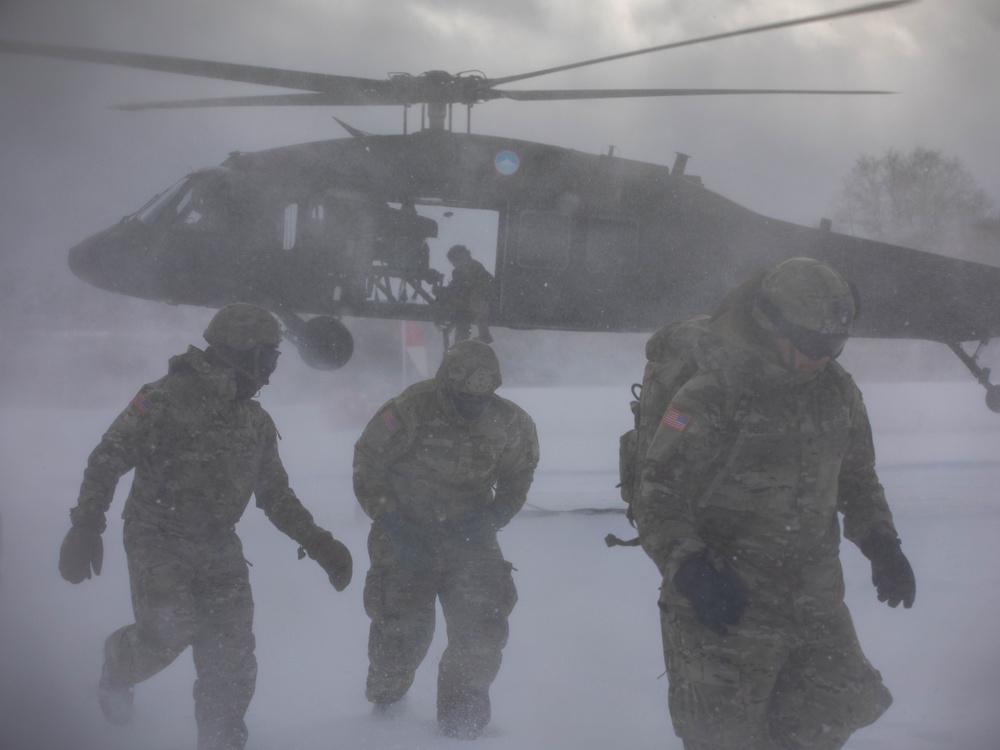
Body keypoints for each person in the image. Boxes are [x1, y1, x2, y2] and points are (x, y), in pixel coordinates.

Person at [633, 258, 916, 750]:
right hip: (726, 604)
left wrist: (881, 542)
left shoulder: (836, 390)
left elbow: (857, 477)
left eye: (834, 346)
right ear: (771, 324)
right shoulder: (708, 396)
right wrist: (693, 570)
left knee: (827, 720)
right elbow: (657, 495)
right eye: (811, 345)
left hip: (814, 602)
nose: (822, 358)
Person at [57, 303, 353, 750]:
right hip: (158, 535)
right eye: (267, 361)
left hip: (218, 545)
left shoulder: (255, 421)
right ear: (239, 353)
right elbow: (108, 457)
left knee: (232, 661)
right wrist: (86, 525)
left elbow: (275, 496)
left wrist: (319, 543)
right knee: (169, 632)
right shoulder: (163, 398)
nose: (270, 375)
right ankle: (119, 662)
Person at [353, 340, 539, 739]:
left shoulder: (511, 422)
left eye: (482, 398)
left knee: (482, 629)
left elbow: (518, 477)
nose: (474, 406)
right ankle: (386, 708)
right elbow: (368, 464)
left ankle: (462, 722)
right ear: (446, 386)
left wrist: (495, 515)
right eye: (464, 398)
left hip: (470, 538)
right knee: (403, 634)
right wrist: (393, 523)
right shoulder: (409, 409)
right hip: (407, 532)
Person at [441, 244, 494, 344]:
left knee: (477, 303)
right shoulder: (457, 272)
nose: (458, 264)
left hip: (481, 296)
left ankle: (484, 334)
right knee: (458, 308)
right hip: (467, 300)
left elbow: (473, 284)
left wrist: (460, 290)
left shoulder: (476, 266)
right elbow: (457, 286)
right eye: (455, 262)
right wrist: (445, 292)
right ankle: (461, 338)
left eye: (459, 259)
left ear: (466, 255)